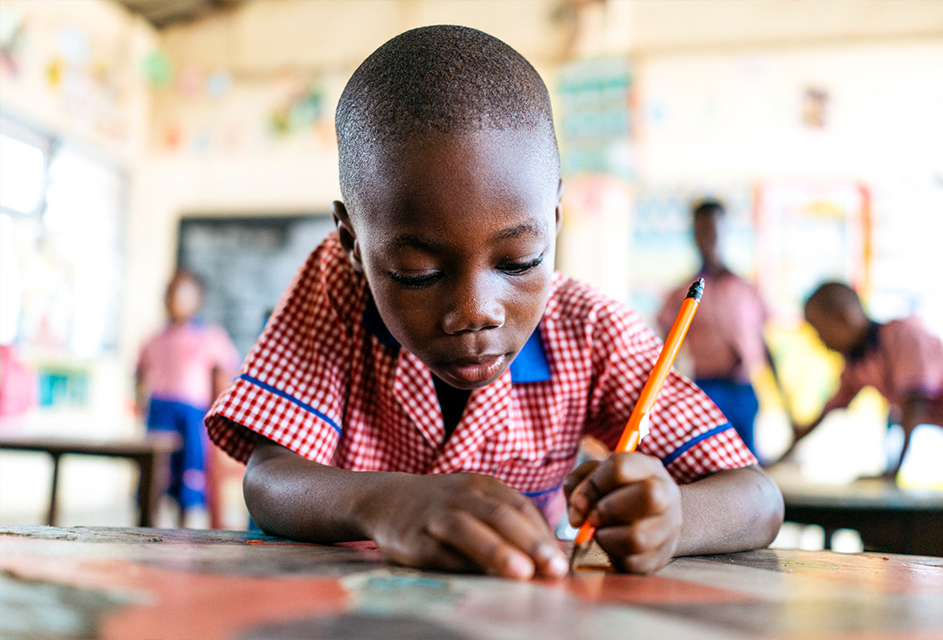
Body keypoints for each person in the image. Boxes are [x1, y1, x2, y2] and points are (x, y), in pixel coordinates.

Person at [205, 25, 783, 579]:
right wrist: (387, 503)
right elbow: (269, 478)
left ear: (554, 222)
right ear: (353, 243)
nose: (476, 310)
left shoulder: (587, 331)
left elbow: (757, 499)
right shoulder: (336, 294)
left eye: (519, 261)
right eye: (417, 272)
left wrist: (673, 521)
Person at [786, 281, 943, 477]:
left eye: (819, 331)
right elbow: (831, 407)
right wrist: (784, 452)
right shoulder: (857, 362)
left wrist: (893, 472)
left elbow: (914, 406)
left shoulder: (901, 336)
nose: (821, 342)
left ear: (844, 318)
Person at [656, 200, 783, 457]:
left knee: (748, 460)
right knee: (712, 458)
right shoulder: (682, 292)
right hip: (706, 388)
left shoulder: (747, 289)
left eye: (715, 229)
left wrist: (783, 396)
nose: (710, 237)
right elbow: (665, 346)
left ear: (725, 232)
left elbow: (764, 341)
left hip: (745, 388)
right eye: (703, 230)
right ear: (694, 235)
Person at [136, 270, 239, 526]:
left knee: (189, 471)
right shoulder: (155, 339)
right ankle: (149, 524)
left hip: (193, 415)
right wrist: (139, 404)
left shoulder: (210, 337)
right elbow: (140, 373)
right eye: (171, 293)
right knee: (157, 473)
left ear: (198, 300)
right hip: (160, 411)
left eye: (183, 294)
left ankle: (184, 526)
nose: (176, 299)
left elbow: (226, 373)